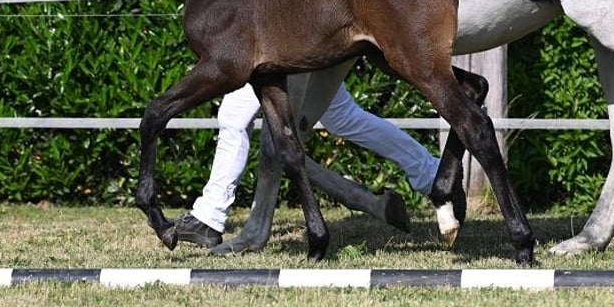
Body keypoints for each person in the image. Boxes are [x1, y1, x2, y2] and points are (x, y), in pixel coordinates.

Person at [174, 82, 440, 247]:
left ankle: (210, 217)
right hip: (308, 36)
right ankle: (429, 171)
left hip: (285, 41)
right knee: (343, 117)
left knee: (235, 117)